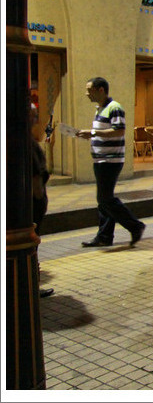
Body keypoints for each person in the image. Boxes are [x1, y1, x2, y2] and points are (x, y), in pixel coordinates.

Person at [76, 77, 146, 248]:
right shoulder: (100, 109)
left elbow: (119, 131)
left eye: (89, 90)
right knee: (102, 199)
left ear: (100, 90)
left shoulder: (114, 108)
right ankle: (105, 236)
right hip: (101, 159)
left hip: (110, 160)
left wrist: (93, 134)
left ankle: (135, 226)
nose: (87, 94)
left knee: (105, 198)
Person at [31, 104, 54, 298]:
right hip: (29, 207)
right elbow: (36, 180)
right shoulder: (25, 143)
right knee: (31, 244)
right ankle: (30, 285)